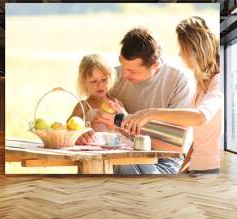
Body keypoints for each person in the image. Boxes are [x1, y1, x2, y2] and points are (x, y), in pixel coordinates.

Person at [76, 28, 194, 174]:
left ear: (155, 66)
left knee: (125, 167)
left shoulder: (177, 82)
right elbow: (86, 111)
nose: (124, 75)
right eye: (122, 65)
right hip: (122, 153)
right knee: (113, 163)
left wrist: (123, 122)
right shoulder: (113, 77)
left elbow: (175, 147)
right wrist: (82, 132)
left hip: (163, 161)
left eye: (132, 71)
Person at [121, 17, 223, 174]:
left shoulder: (218, 81)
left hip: (211, 169)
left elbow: (200, 117)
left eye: (182, 49)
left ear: (194, 50)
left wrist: (149, 113)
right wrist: (185, 166)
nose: (180, 54)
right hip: (196, 168)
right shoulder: (201, 85)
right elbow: (199, 138)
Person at [70, 54, 124, 130]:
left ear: (110, 78)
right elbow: (70, 131)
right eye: (93, 81)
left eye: (104, 79)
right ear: (84, 83)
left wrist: (114, 127)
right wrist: (90, 126)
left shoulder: (117, 105)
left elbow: (126, 132)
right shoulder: (82, 107)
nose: (100, 85)